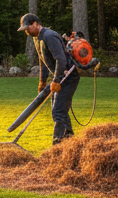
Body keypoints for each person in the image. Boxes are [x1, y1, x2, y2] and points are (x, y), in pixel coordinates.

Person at [17, 12, 79, 145]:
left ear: (35, 24)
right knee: (59, 109)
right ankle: (69, 137)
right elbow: (42, 60)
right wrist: (42, 81)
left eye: (28, 28)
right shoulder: (38, 38)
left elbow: (60, 59)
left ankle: (58, 144)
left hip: (69, 76)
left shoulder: (49, 36)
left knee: (58, 111)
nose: (26, 31)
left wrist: (56, 80)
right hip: (61, 76)